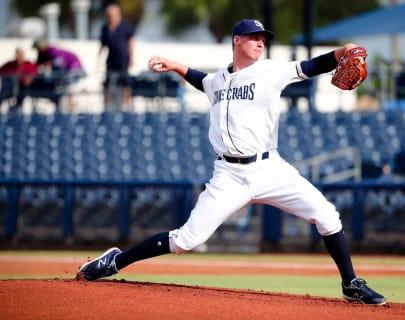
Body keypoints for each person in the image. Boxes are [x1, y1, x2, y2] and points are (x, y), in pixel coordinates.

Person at [77, 19, 386, 305]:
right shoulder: (219, 79)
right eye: (253, 37)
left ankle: (351, 284)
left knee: (327, 216)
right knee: (186, 240)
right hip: (228, 175)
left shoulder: (271, 71)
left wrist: (345, 51)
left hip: (270, 169)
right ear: (237, 40)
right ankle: (114, 261)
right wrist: (175, 66)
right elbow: (203, 80)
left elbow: (314, 64)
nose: (260, 42)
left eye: (263, 38)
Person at [33, 39, 86, 112]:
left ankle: (71, 110)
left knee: (68, 88)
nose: (37, 50)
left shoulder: (51, 51)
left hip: (74, 69)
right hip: (67, 71)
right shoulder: (44, 54)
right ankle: (61, 109)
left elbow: (60, 62)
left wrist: (49, 64)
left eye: (37, 48)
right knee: (59, 88)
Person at [99, 3, 135, 110]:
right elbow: (102, 44)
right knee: (107, 83)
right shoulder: (105, 28)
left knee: (125, 83)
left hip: (123, 60)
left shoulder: (125, 26)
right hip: (111, 61)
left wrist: (132, 58)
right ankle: (107, 106)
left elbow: (131, 42)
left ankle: (125, 105)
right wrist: (98, 60)